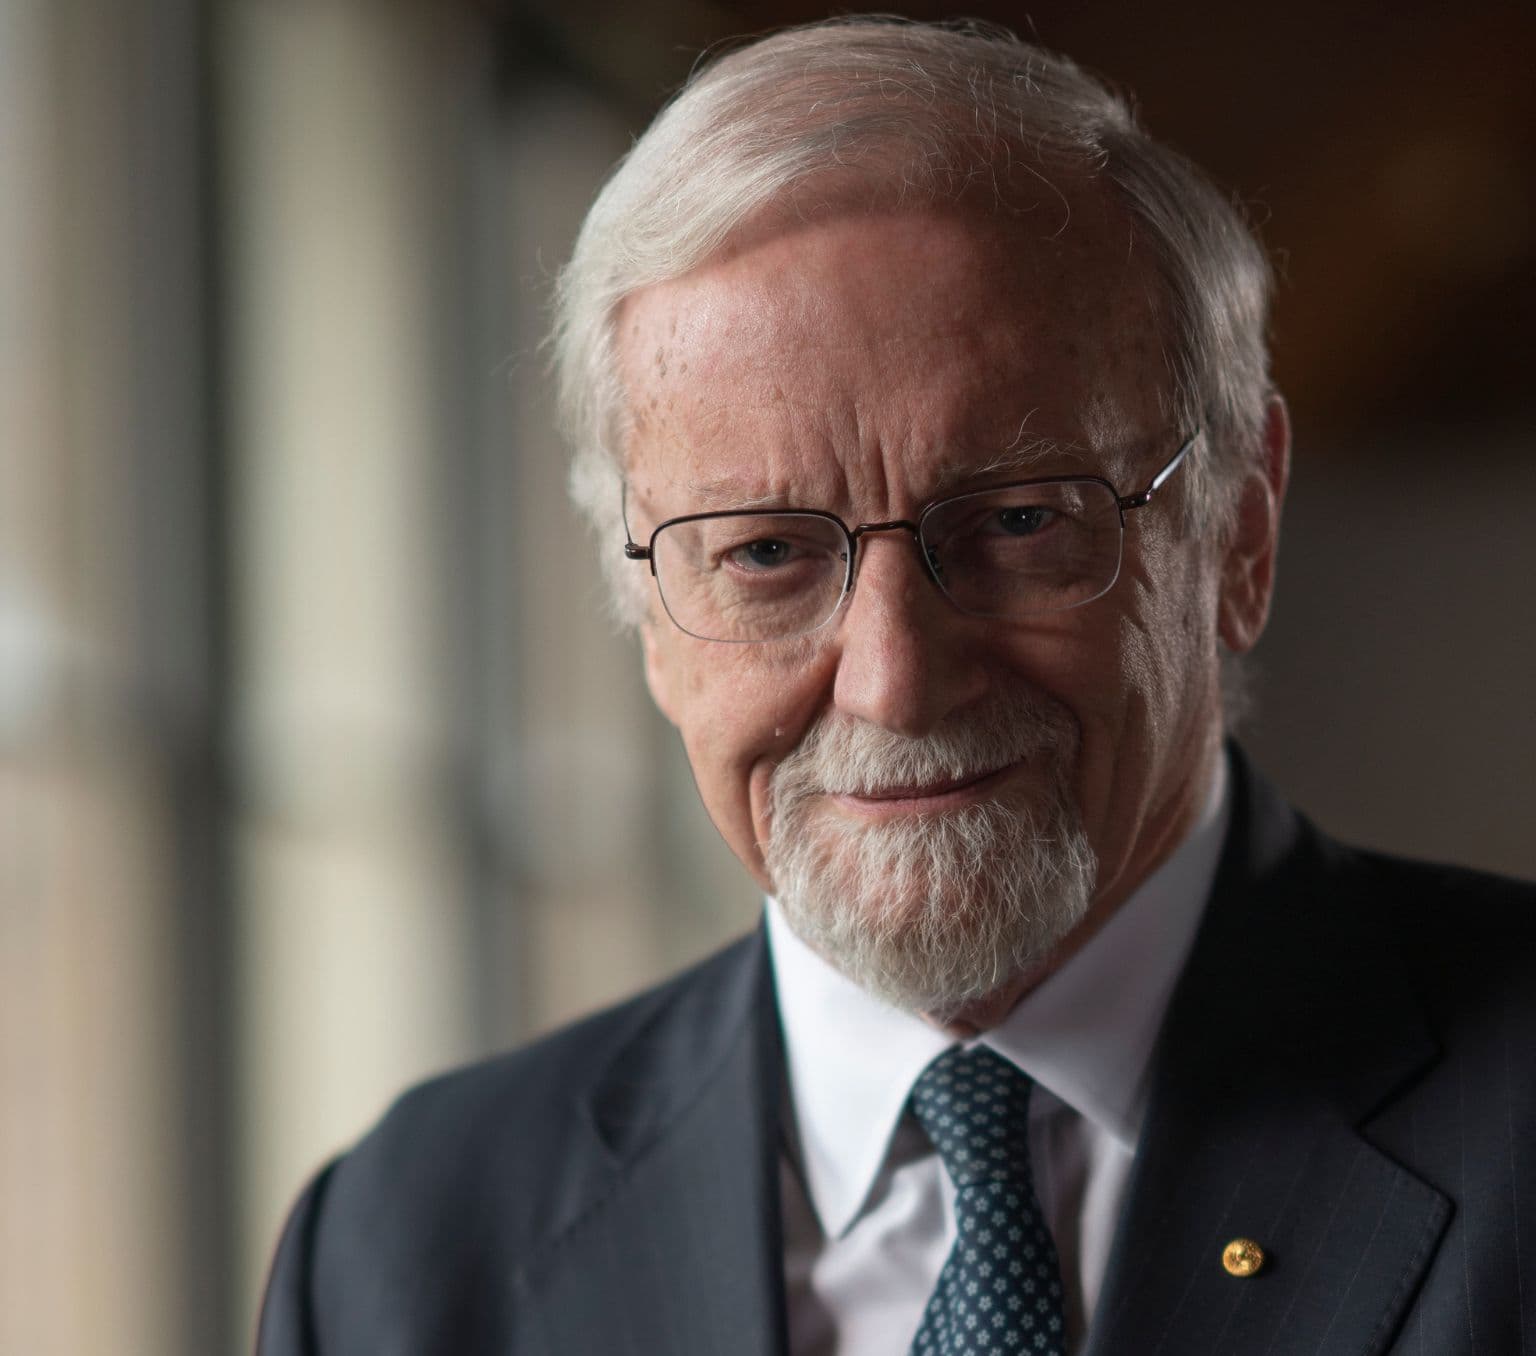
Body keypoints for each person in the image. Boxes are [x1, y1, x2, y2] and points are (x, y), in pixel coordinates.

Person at [257, 18, 1536, 1355]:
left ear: (1241, 529)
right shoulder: (405, 1249)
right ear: (643, 610)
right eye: (763, 551)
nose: (893, 682)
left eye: (1022, 521)